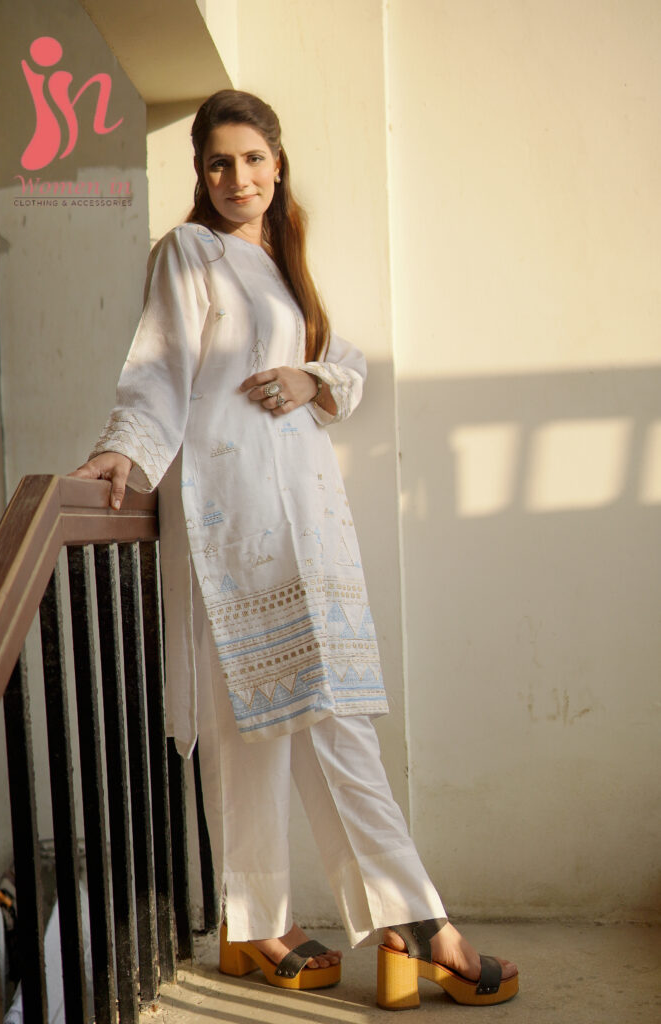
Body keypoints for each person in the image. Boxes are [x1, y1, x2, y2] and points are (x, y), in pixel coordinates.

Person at [72, 89, 518, 1009]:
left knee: (332, 721)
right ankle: (287, 922)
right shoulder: (189, 251)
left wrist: (310, 377)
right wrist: (123, 448)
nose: (237, 178)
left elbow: (345, 363)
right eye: (218, 163)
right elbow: (159, 370)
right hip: (231, 517)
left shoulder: (284, 268)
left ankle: (385, 918)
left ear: (278, 164)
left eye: (252, 160)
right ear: (201, 174)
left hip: (307, 526)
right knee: (249, 726)